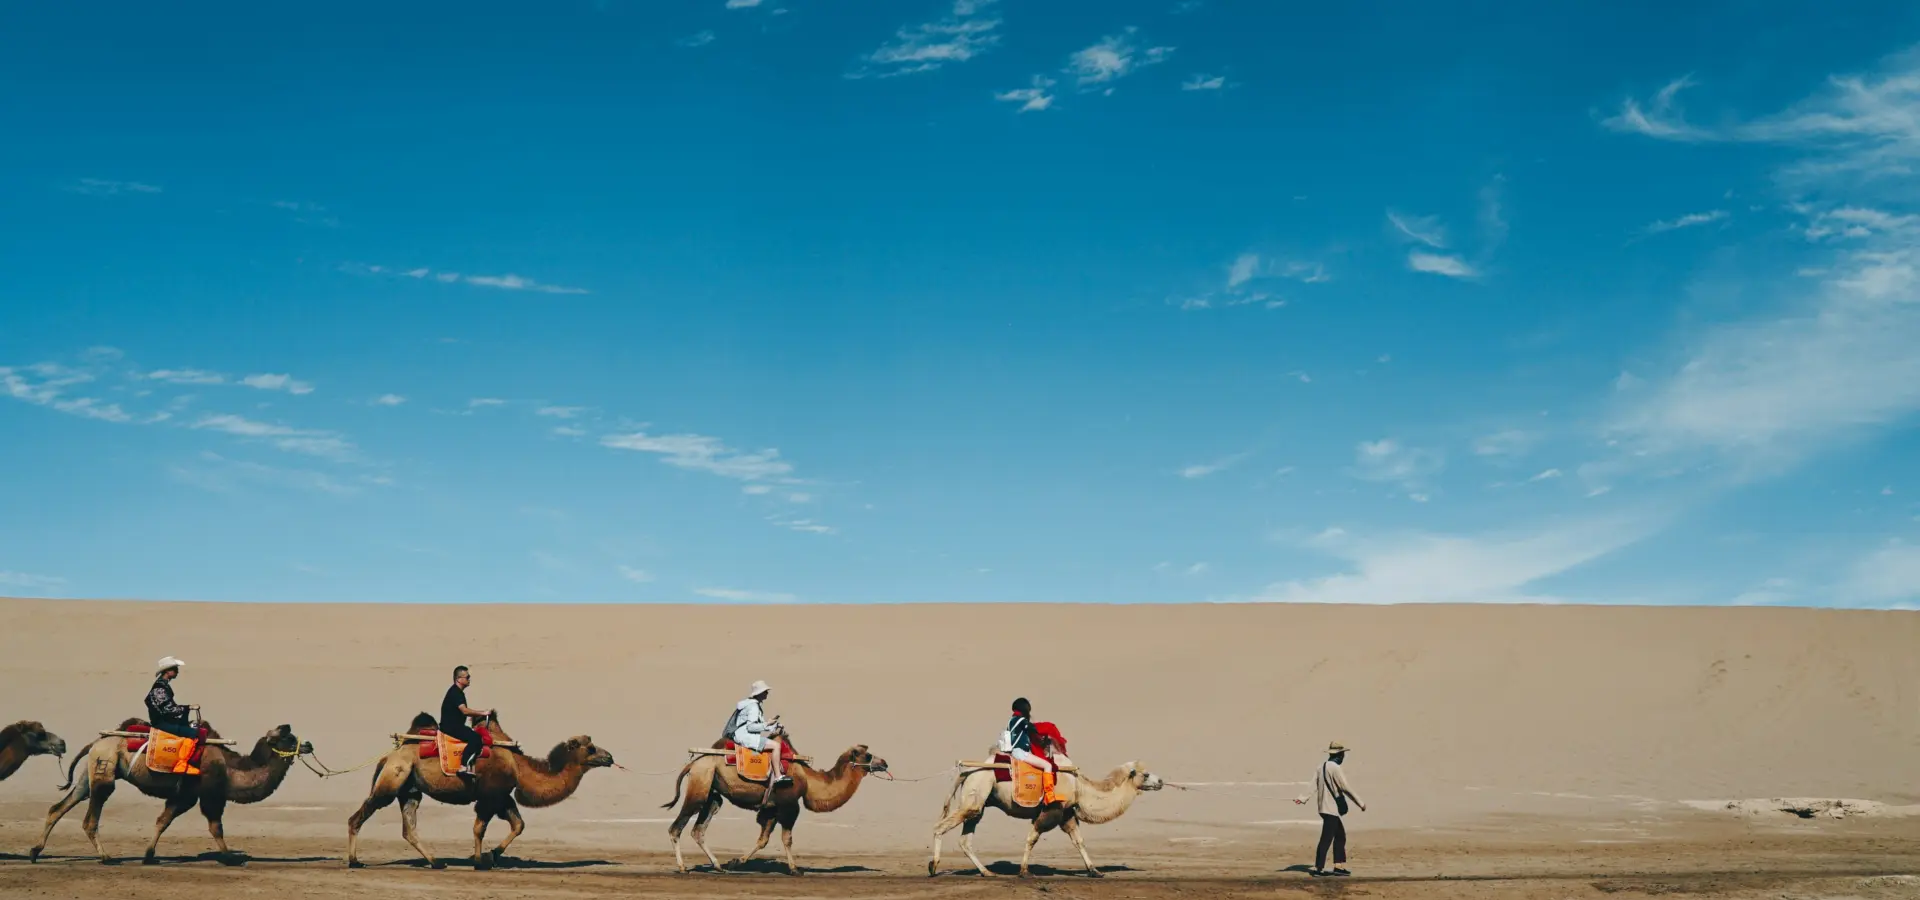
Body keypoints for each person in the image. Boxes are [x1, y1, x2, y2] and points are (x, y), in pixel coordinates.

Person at [1295, 741, 1366, 877]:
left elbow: (1313, 785)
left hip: (1323, 808)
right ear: (1339, 755)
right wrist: (1360, 803)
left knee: (1340, 836)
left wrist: (1302, 798)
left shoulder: (1321, 767)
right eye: (1343, 754)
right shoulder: (1334, 768)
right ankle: (1318, 868)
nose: (1343, 757)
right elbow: (1345, 787)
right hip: (1331, 809)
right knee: (1326, 839)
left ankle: (1338, 866)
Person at [998, 697, 1059, 802]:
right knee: (1047, 765)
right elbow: (1035, 729)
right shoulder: (1021, 720)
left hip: (1014, 752)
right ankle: (1049, 795)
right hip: (1020, 753)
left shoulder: (1011, 721)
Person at [439, 666, 493, 776]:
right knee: (476, 738)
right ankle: (463, 766)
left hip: (453, 726)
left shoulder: (456, 692)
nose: (469, 679)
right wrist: (483, 713)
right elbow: (464, 711)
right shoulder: (456, 693)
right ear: (459, 679)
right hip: (451, 727)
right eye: (467, 677)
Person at [146, 656, 197, 737]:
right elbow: (169, 709)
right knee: (193, 733)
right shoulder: (159, 688)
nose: (177, 672)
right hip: (161, 724)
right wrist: (188, 707)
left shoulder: (163, 686)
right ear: (167, 671)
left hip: (165, 722)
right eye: (175, 670)